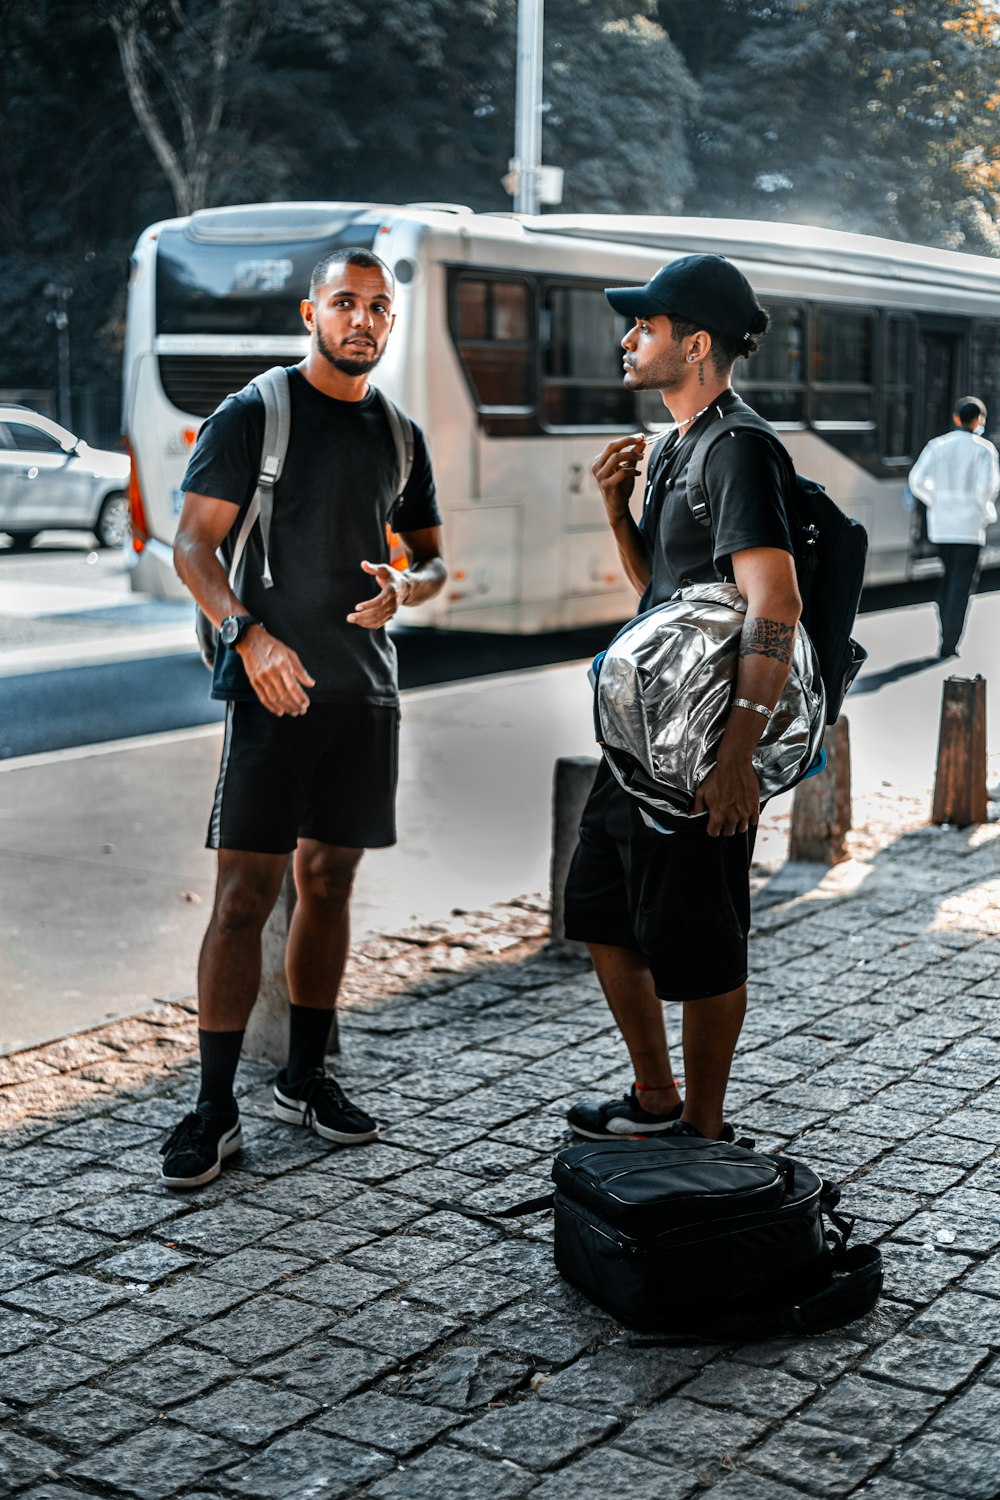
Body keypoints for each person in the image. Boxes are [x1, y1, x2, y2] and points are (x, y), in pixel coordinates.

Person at [159, 248, 446, 1188]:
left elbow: (439, 562)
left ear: (390, 323)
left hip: (365, 691)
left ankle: (304, 1076)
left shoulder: (400, 434)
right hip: (272, 692)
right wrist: (248, 638)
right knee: (244, 897)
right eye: (344, 304)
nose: (361, 320)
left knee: (330, 883)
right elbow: (192, 547)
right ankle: (213, 1106)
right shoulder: (255, 415)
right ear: (309, 312)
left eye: (377, 308)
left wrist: (408, 585)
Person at [563, 253, 801, 1145]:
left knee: (701, 940)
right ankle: (654, 1096)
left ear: (695, 344)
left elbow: (774, 600)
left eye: (647, 327)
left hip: (703, 748)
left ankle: (703, 1128)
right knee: (599, 911)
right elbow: (659, 599)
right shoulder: (675, 446)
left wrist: (736, 756)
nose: (628, 340)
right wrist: (617, 508)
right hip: (640, 738)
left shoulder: (739, 450)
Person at [908, 397, 1000, 659]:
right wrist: (978, 508)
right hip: (970, 527)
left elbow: (916, 480)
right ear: (979, 420)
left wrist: (936, 500)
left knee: (947, 580)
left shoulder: (937, 446)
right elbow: (988, 488)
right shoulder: (985, 450)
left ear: (956, 417)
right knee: (961, 586)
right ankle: (949, 642)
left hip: (942, 525)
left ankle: (944, 631)